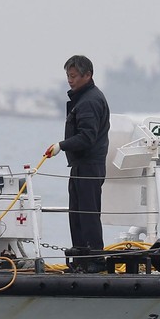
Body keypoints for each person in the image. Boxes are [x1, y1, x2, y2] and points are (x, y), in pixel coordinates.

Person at [45, 55, 110, 270]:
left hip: (89, 165)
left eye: (73, 76)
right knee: (77, 213)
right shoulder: (83, 98)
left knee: (89, 213)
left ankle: (96, 259)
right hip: (80, 165)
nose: (70, 81)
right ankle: (82, 258)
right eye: (68, 76)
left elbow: (87, 137)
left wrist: (60, 146)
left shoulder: (90, 101)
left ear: (88, 75)